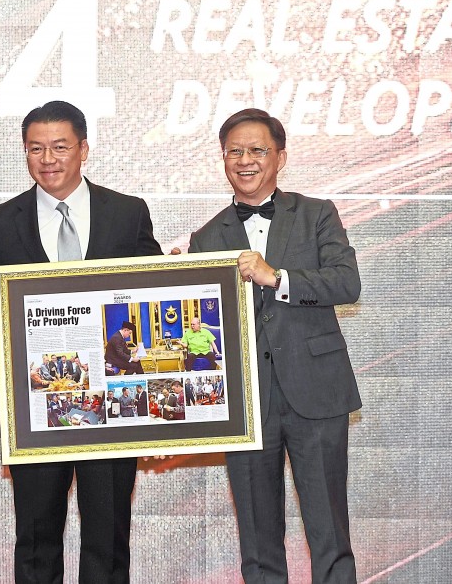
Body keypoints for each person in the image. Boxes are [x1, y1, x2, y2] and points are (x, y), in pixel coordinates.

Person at [0, 100, 163, 583]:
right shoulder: (0, 220)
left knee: (108, 534)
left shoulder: (126, 212)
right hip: (37, 403)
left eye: (60, 146)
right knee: (36, 536)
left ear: (84, 148)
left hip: (113, 404)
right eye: (35, 149)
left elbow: (155, 294)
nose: (48, 159)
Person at [188, 108, 361, 583]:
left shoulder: (316, 213)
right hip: (244, 404)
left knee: (330, 532)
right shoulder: (206, 236)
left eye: (257, 150)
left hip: (316, 392)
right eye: (234, 152)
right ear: (223, 159)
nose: (245, 160)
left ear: (280, 157)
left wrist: (277, 277)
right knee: (258, 540)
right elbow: (201, 332)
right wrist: (178, 287)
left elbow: (347, 282)